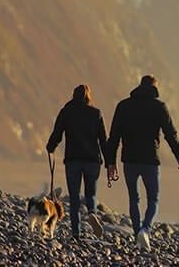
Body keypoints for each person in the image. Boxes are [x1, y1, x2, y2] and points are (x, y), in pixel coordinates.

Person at [106, 75, 179, 250]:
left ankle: (137, 234)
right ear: (155, 88)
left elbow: (114, 137)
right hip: (150, 160)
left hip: (129, 160)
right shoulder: (159, 107)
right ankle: (145, 229)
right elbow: (170, 134)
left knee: (134, 198)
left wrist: (110, 163)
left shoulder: (123, 106)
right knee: (153, 199)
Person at [46, 84, 109, 240]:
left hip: (73, 159)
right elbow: (103, 140)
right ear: (88, 97)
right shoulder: (96, 113)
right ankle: (92, 213)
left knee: (74, 197)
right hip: (93, 160)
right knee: (91, 194)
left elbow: (57, 133)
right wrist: (109, 162)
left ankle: (76, 233)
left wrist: (51, 147)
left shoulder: (66, 112)